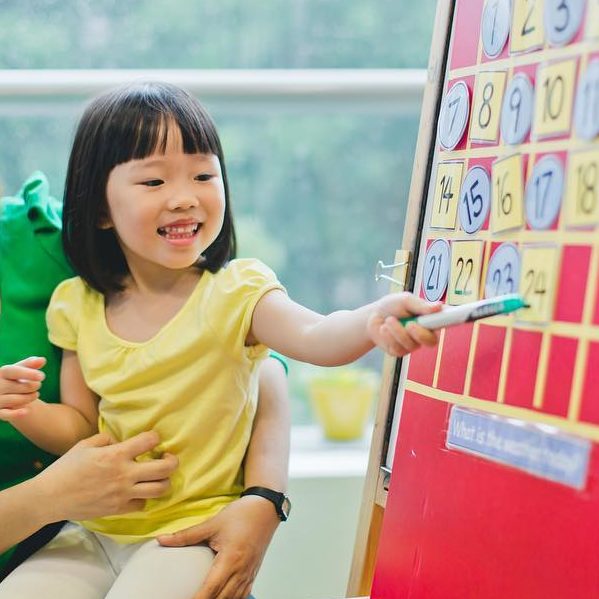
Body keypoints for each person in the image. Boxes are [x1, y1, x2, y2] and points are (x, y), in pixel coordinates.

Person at [0, 81, 440, 598]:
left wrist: (372, 319)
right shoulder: (75, 303)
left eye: (203, 175)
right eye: (153, 181)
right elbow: (81, 429)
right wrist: (24, 409)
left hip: (190, 531)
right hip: (93, 528)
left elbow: (317, 335)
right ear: (99, 208)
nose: (184, 197)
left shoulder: (238, 290)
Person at [0, 172, 290, 597]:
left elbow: (251, 355)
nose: (181, 199)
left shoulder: (59, 238)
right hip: (72, 541)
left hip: (170, 528)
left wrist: (264, 498)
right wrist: (48, 496)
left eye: (203, 173)